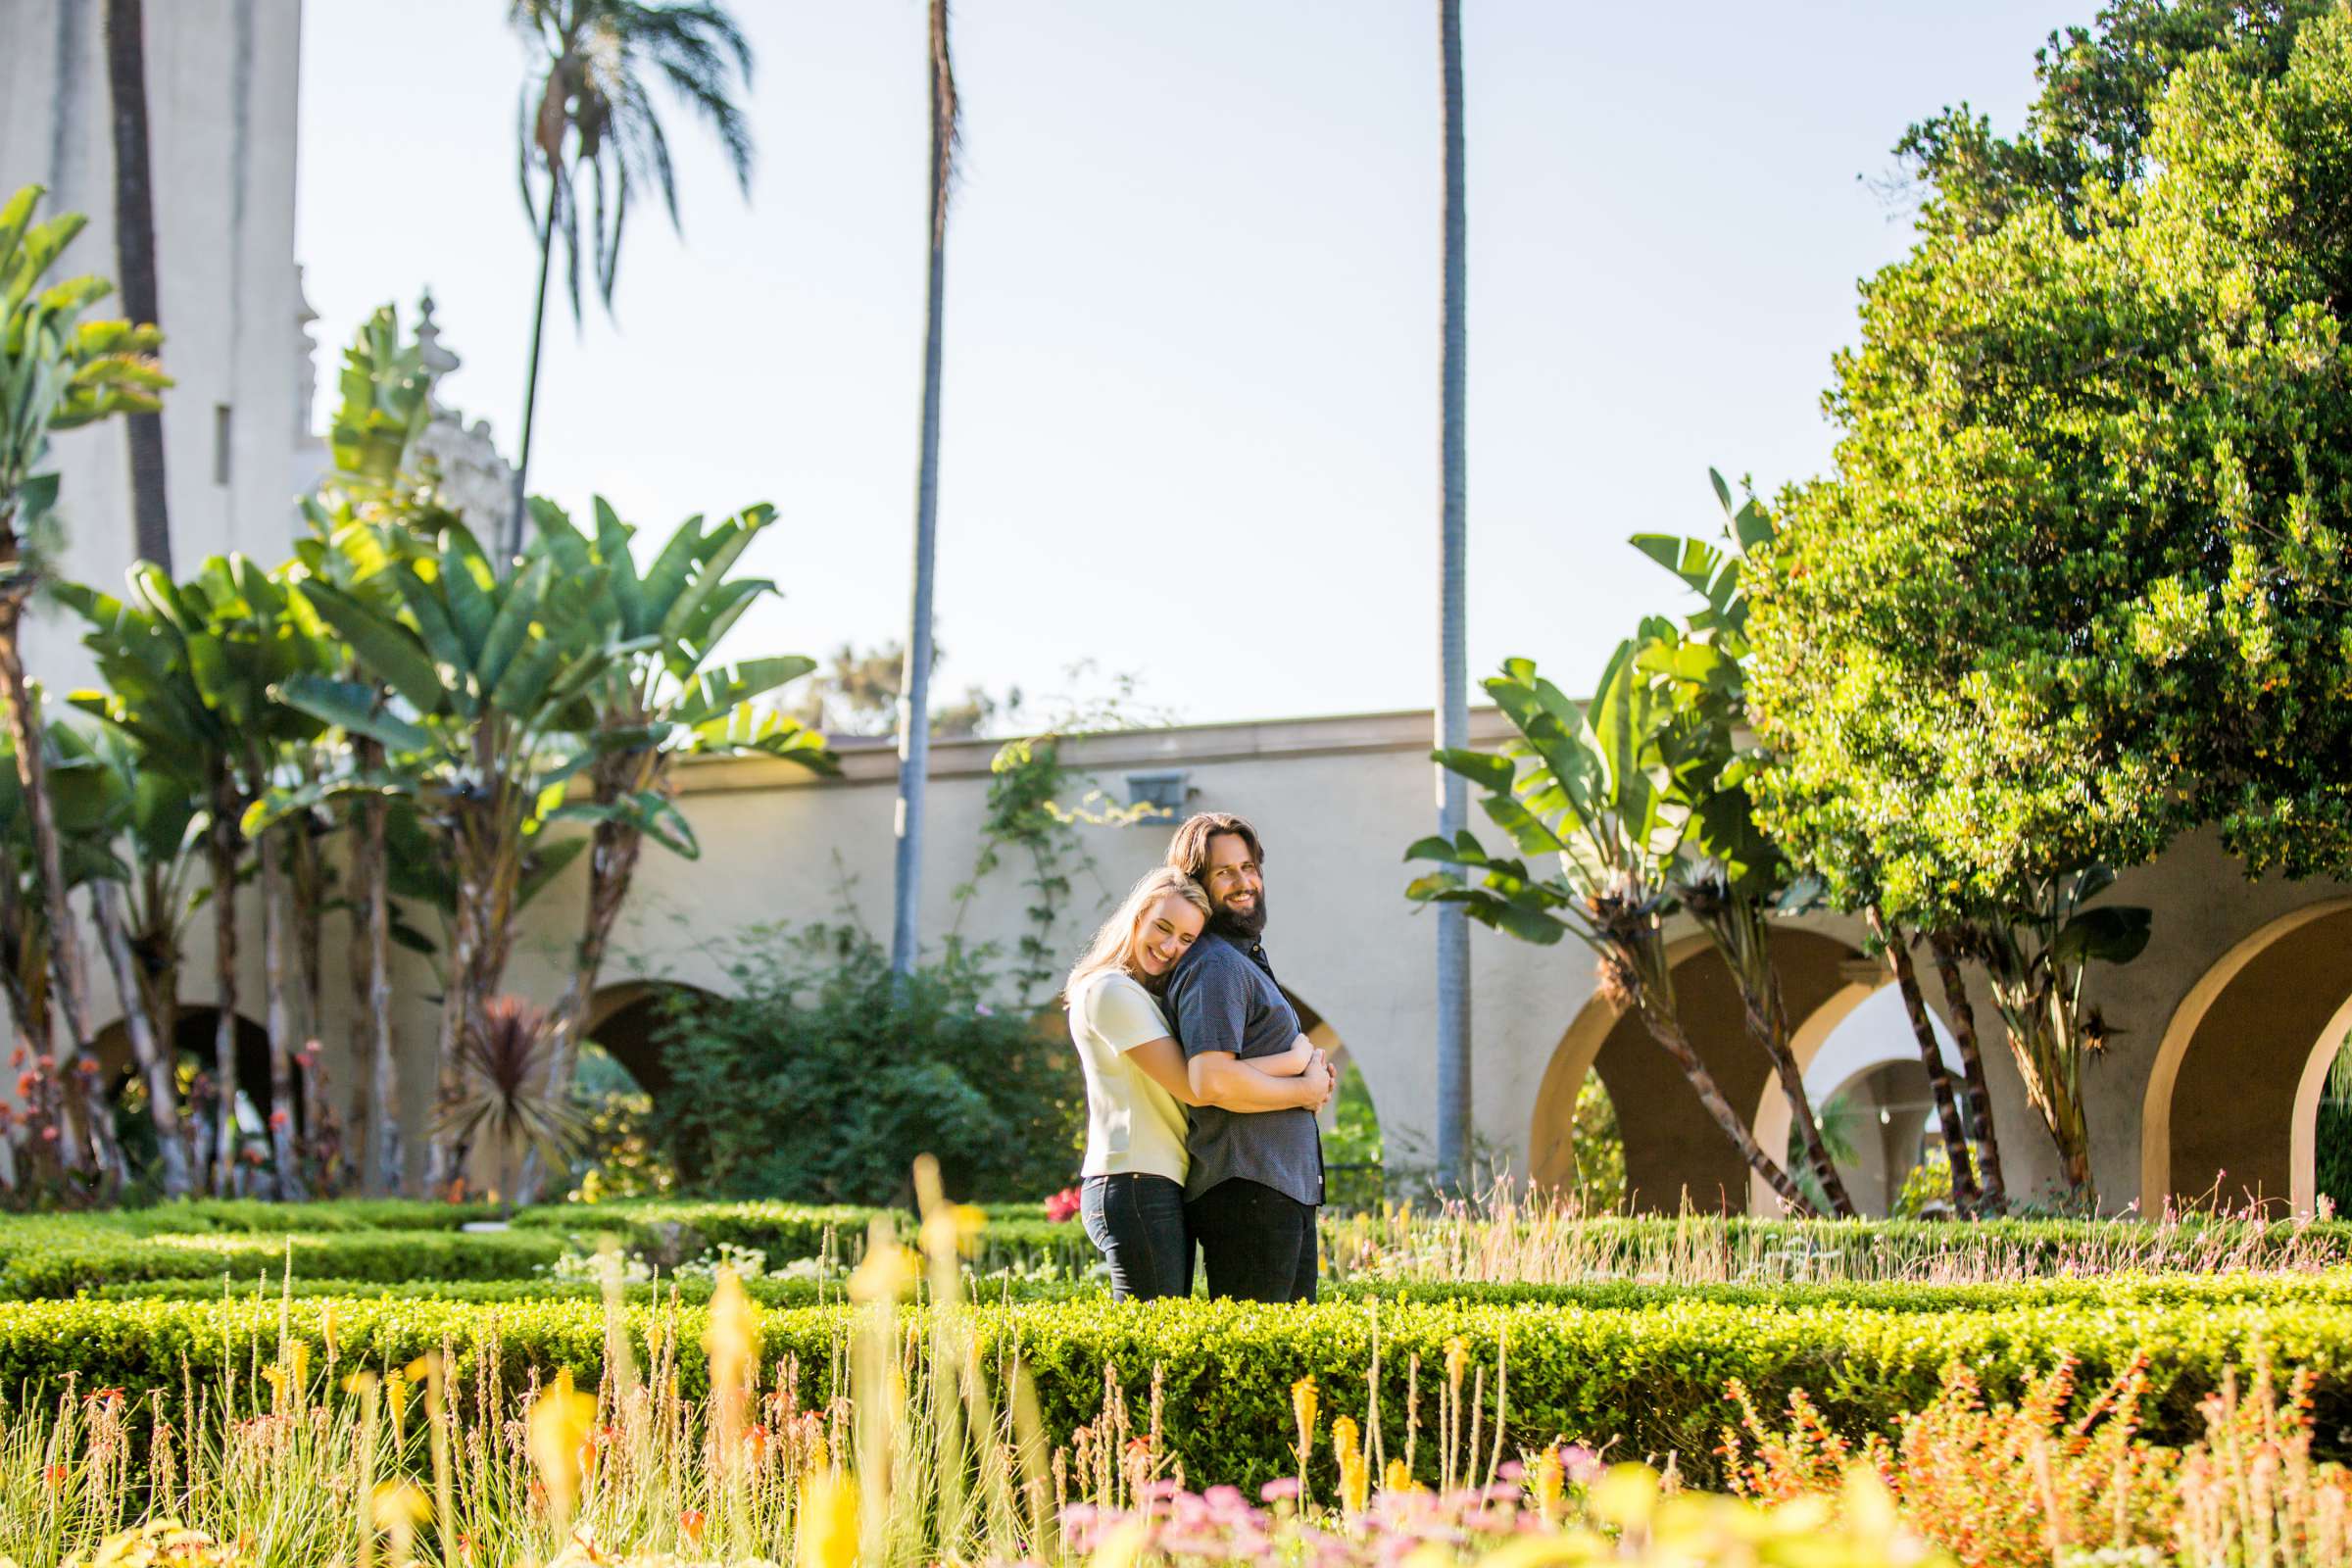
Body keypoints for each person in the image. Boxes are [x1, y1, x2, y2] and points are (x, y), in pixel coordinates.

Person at [1063, 865, 1333, 1300]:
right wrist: (1297, 1065)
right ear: (1136, 918)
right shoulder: (1109, 991)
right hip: (1133, 1180)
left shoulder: (1148, 995)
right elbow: (1199, 1085)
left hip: (1159, 1179)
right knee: (1151, 1342)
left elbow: (1214, 1077)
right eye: (1162, 928)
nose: (1170, 948)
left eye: (1186, 940)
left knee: (1169, 1338)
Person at [1161, 811, 1328, 1302]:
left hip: (1275, 1186)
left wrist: (1307, 1070)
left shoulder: (1241, 959)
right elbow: (1212, 1080)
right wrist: (1304, 1086)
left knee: (1288, 1364)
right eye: (1224, 872)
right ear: (1196, 884)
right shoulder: (1215, 966)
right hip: (1248, 1189)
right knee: (1261, 1362)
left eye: (1249, 866)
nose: (1243, 882)